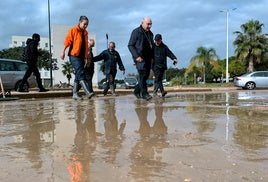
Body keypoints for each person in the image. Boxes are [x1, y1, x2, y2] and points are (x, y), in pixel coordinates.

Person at [60, 15, 93, 100]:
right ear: (80, 22)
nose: (85, 26)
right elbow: (68, 41)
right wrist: (63, 51)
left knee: (78, 75)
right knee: (80, 72)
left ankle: (74, 93)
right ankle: (87, 92)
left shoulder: (85, 33)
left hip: (82, 57)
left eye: (87, 25)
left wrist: (86, 58)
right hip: (74, 55)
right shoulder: (73, 30)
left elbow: (85, 46)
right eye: (84, 24)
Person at [128, 16, 154, 100]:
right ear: (142, 23)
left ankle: (136, 91)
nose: (149, 26)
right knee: (142, 74)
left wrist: (152, 57)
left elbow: (151, 47)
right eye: (148, 24)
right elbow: (130, 45)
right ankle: (145, 94)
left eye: (151, 24)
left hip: (148, 58)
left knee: (145, 76)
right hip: (139, 58)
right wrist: (136, 57)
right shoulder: (136, 32)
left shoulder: (151, 34)